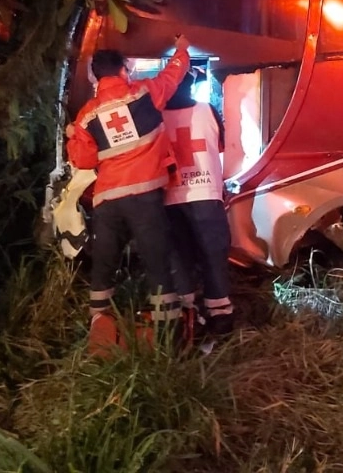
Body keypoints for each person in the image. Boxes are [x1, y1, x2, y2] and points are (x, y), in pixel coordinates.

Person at [65, 38, 190, 354]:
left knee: (103, 267)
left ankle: (98, 336)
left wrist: (71, 137)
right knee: (158, 266)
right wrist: (182, 49)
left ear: (95, 77)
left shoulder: (87, 115)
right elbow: (174, 74)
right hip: (144, 197)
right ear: (124, 70)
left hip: (107, 201)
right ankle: (168, 342)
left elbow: (84, 161)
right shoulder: (144, 93)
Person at [163, 67, 235, 336]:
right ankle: (220, 314)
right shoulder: (208, 111)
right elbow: (221, 146)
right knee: (213, 253)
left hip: (170, 197)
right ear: (192, 85)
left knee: (179, 255)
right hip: (206, 193)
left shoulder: (155, 115)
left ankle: (188, 315)